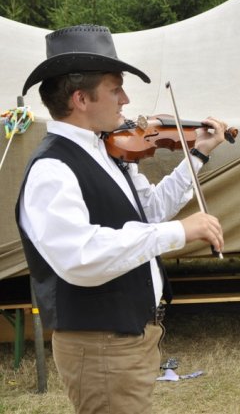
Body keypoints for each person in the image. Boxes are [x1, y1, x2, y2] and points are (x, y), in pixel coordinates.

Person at [15, 24, 227, 414]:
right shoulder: (52, 169)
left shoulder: (108, 151)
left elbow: (150, 211)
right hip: (101, 345)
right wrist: (177, 232)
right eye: (116, 89)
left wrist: (197, 154)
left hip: (129, 337)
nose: (126, 100)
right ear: (81, 98)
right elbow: (81, 257)